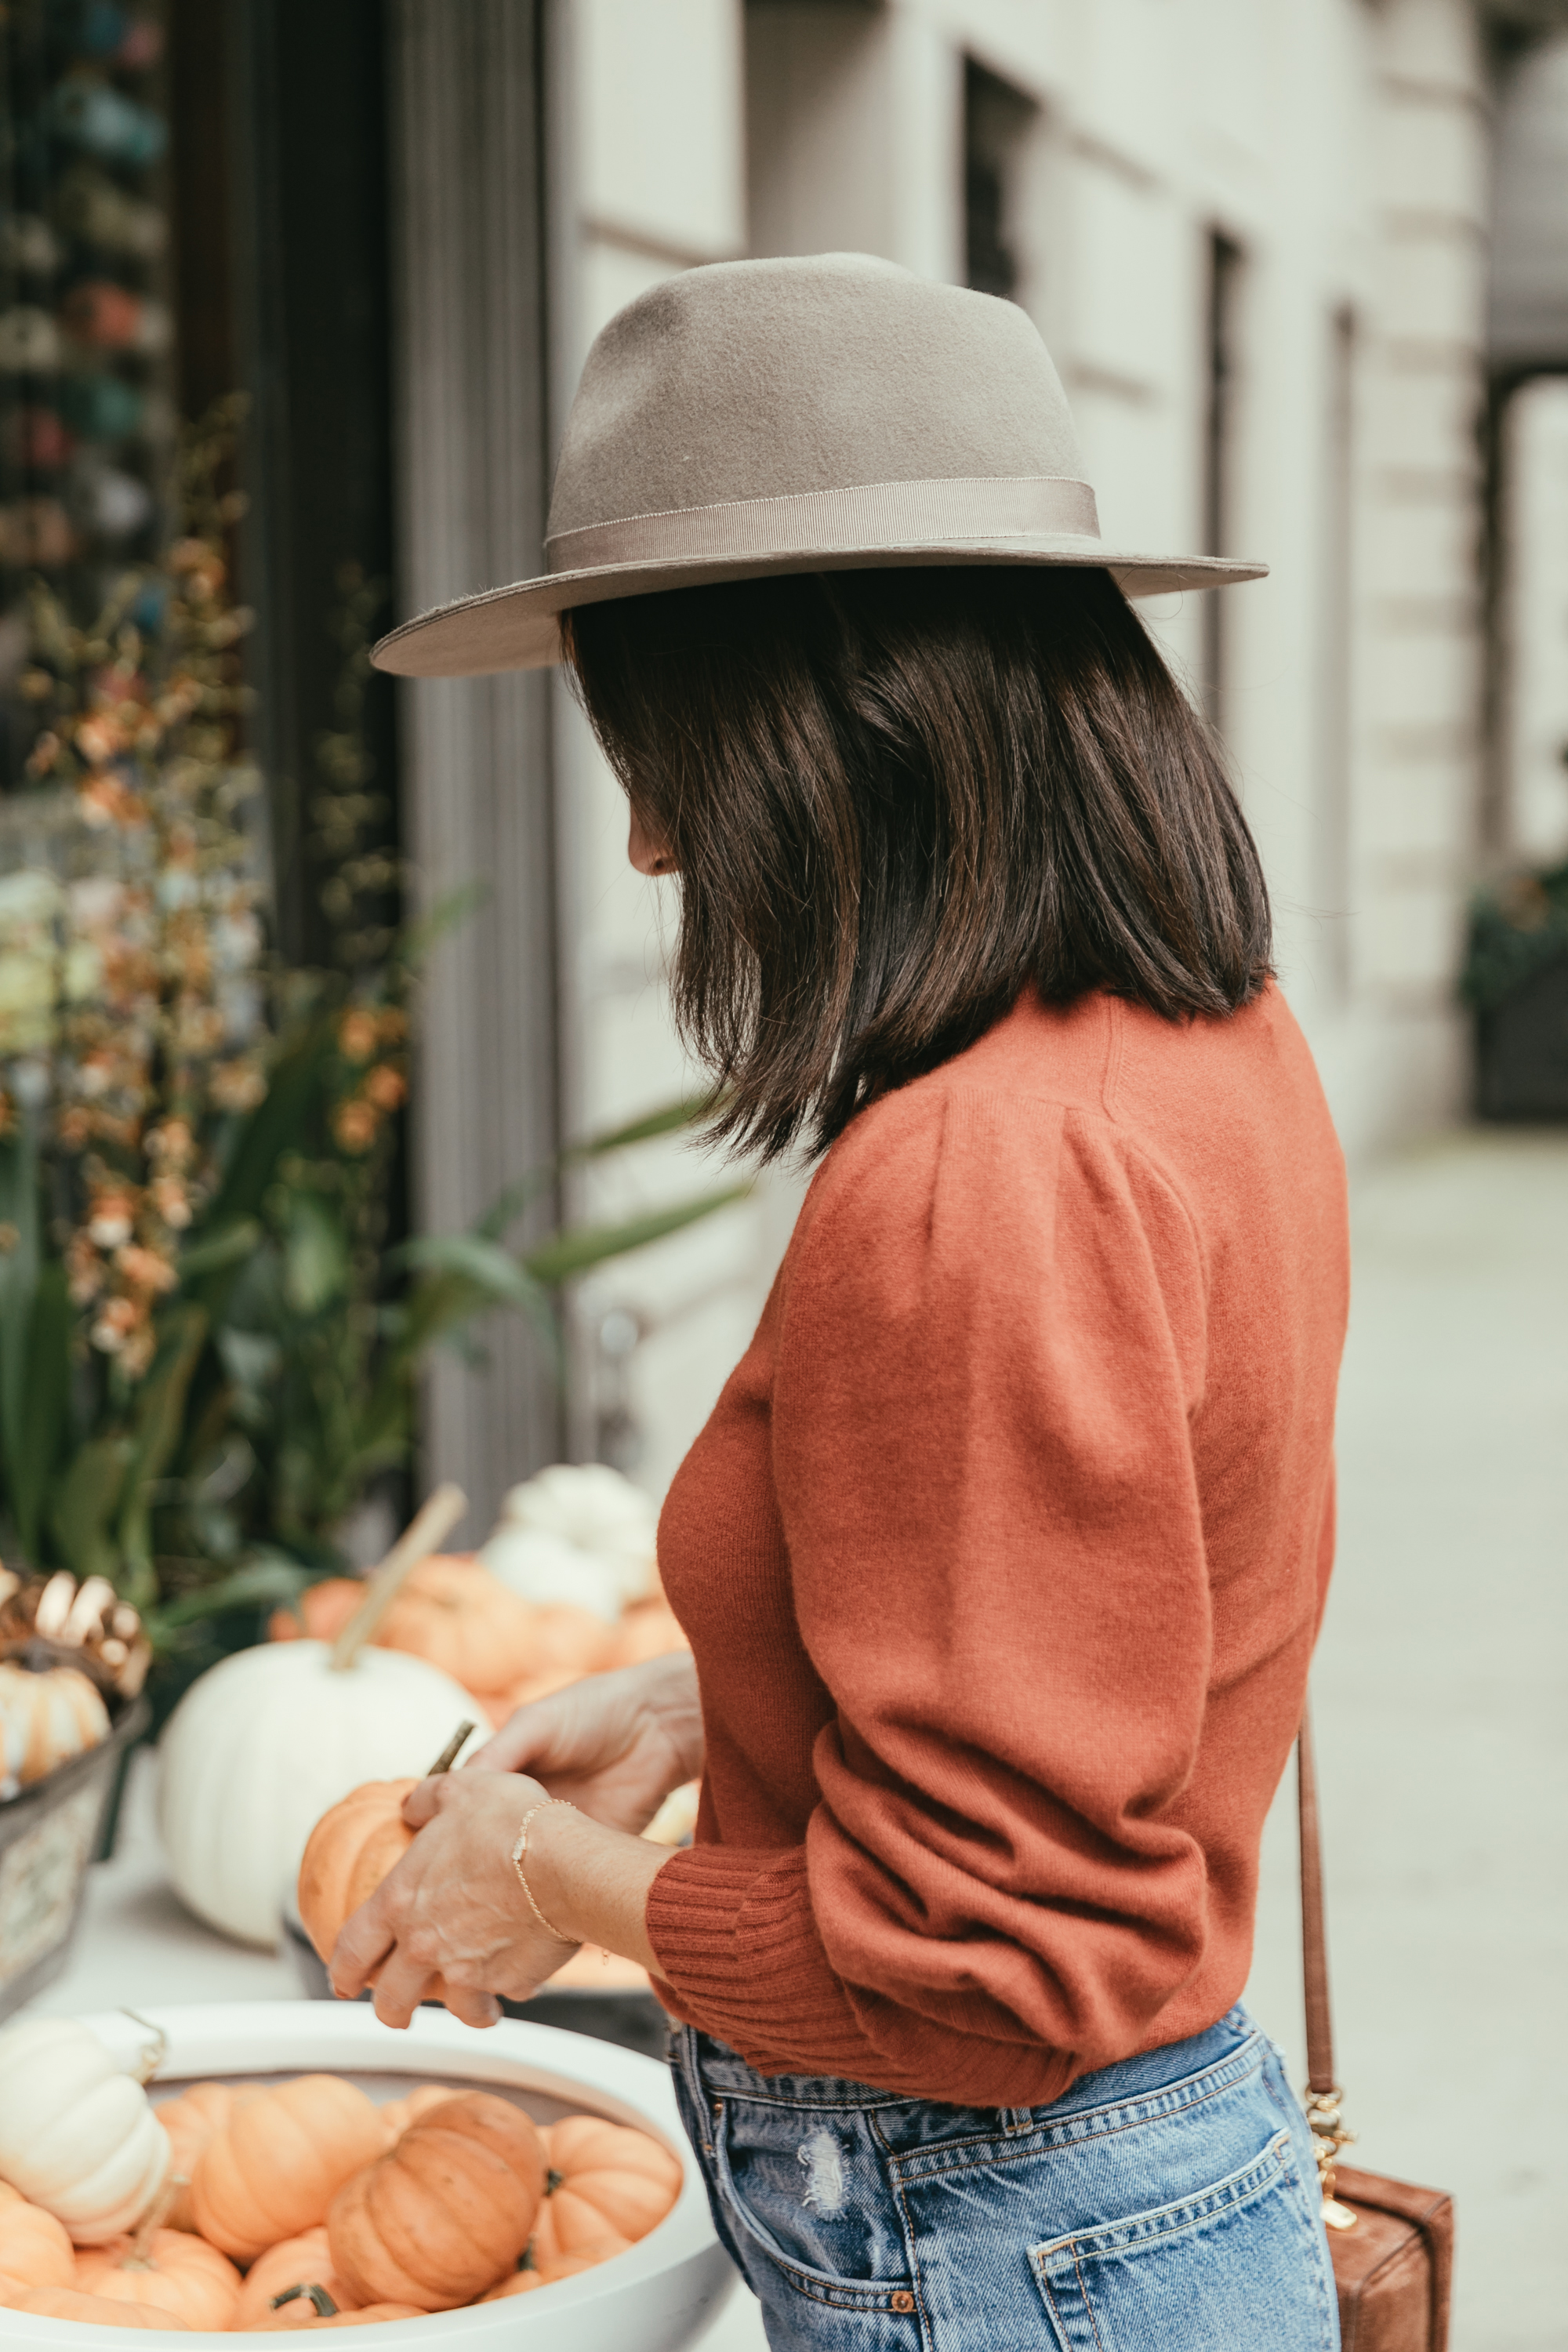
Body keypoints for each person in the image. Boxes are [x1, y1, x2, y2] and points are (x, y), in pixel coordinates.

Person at [336, 254, 1348, 2350]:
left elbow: (979, 1984)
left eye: (666, 745)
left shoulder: (976, 1170)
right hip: (1132, 2205)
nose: (644, 840)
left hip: (1008, 2242)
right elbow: (1123, 1605)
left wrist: (544, 1883)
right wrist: (729, 1704)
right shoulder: (1209, 1043)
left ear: (825, 724)